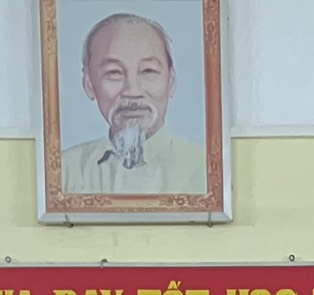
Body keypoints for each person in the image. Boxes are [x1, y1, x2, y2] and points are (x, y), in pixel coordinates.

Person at [58, 10, 208, 198]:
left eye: (148, 71)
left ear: (171, 81)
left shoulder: (206, 169)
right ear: (89, 84)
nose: (132, 90)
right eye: (114, 72)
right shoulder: (64, 171)